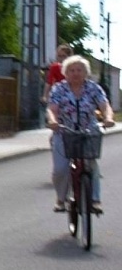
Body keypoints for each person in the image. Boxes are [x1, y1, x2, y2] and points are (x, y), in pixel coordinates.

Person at [47, 54, 115, 213]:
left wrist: (108, 118)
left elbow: (105, 105)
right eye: (71, 70)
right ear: (66, 72)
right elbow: (52, 109)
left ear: (86, 72)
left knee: (91, 164)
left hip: (88, 131)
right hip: (64, 130)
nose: (76, 73)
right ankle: (61, 198)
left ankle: (95, 200)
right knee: (60, 170)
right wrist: (53, 121)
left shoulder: (93, 88)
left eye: (79, 70)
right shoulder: (59, 89)